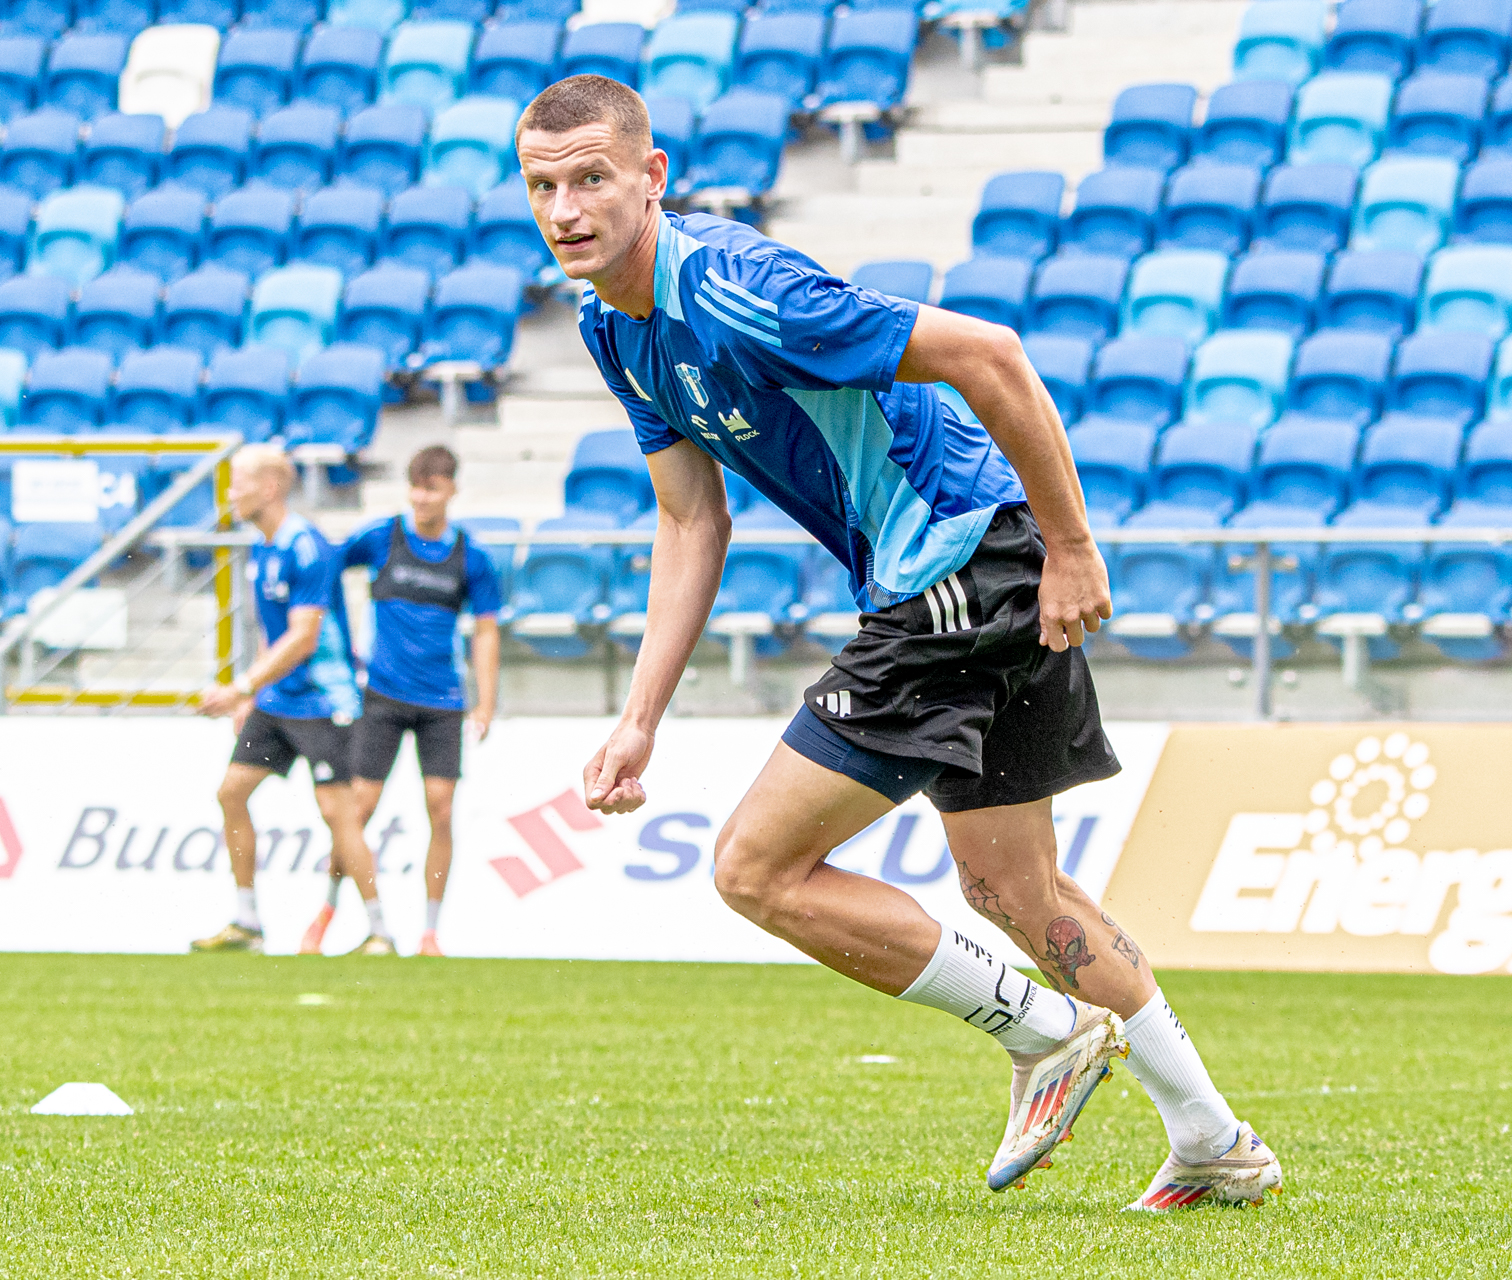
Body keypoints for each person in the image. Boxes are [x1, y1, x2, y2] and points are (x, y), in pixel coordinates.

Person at [518, 74, 1281, 1212]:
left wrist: (1074, 547)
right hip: (982, 567)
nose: (567, 209)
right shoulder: (612, 329)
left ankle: (1045, 1031)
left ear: (652, 176)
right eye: (543, 187)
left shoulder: (737, 292)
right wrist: (640, 718)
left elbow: (994, 355)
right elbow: (689, 520)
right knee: (1014, 887)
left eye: (592, 179)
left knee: (754, 869)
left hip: (957, 569)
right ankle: (1215, 1140)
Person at [191, 444, 397, 958]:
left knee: (338, 814)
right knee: (231, 793)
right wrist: (256, 694)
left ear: (270, 487)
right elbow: (274, 632)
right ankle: (247, 922)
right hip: (279, 701)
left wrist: (241, 687)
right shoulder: (263, 548)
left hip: (325, 703)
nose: (230, 493)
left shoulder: (307, 547)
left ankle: (379, 931)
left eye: (238, 482)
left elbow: (304, 637)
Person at [297, 446, 503, 958]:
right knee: (358, 811)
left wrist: (486, 702)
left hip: (443, 701)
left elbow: (486, 631)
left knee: (441, 809)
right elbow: (326, 569)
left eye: (431, 488)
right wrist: (331, 642)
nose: (421, 497)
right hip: (382, 696)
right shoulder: (381, 537)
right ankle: (327, 911)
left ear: (451, 490)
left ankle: (429, 933)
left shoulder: (471, 557)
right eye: (414, 487)